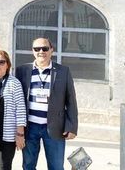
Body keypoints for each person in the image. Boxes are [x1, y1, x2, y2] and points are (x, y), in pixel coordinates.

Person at [16, 38, 78, 170]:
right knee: (28, 165)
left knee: (56, 166)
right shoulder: (22, 71)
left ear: (51, 50)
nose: (41, 51)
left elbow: (71, 100)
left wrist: (72, 127)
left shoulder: (63, 71)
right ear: (32, 51)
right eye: (37, 49)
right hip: (30, 127)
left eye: (44, 48)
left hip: (55, 127)